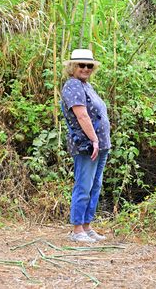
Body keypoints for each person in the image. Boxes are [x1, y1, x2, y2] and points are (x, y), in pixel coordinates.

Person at [61, 49, 111, 243]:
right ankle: (77, 230)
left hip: (100, 144)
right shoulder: (72, 85)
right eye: (81, 65)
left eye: (89, 65)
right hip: (87, 145)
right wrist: (94, 140)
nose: (85, 68)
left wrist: (101, 141)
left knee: (95, 185)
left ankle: (87, 226)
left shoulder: (86, 85)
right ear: (72, 67)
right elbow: (82, 115)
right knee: (84, 185)